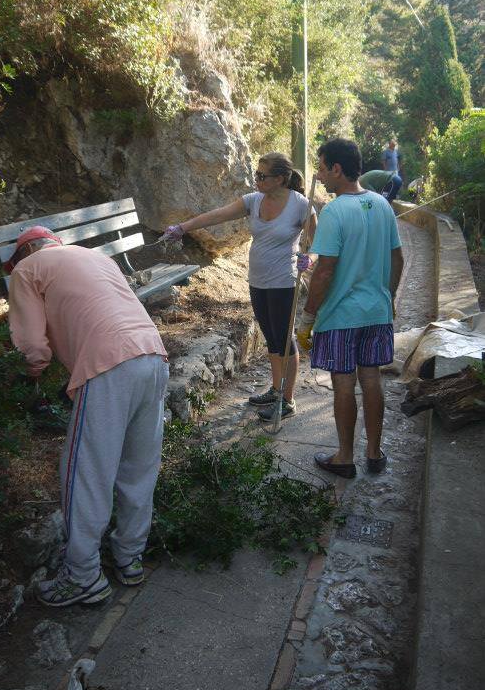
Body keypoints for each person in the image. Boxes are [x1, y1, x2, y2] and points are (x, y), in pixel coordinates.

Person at [6, 225, 169, 608]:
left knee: (86, 473)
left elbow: (31, 346)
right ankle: (129, 557)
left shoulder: (27, 270)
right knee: (138, 467)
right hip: (152, 355)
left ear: (25, 252)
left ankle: (82, 576)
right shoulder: (95, 257)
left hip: (107, 366)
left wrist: (31, 374)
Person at [164, 152, 316, 421]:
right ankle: (276, 389)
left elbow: (318, 243)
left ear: (280, 179)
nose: (257, 179)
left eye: (262, 176)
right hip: (258, 280)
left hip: (284, 281)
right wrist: (183, 227)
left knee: (284, 339)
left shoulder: (301, 205)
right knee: (271, 337)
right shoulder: (254, 200)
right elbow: (217, 215)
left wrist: (310, 258)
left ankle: (287, 400)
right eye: (256, 174)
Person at [300, 139, 404, 478]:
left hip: (341, 316)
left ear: (337, 169)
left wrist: (308, 316)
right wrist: (387, 298)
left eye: (321, 168)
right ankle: (374, 453)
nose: (319, 175)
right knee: (371, 379)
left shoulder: (334, 211)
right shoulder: (382, 205)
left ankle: (345, 457)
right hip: (376, 312)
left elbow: (325, 270)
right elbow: (397, 258)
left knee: (344, 383)